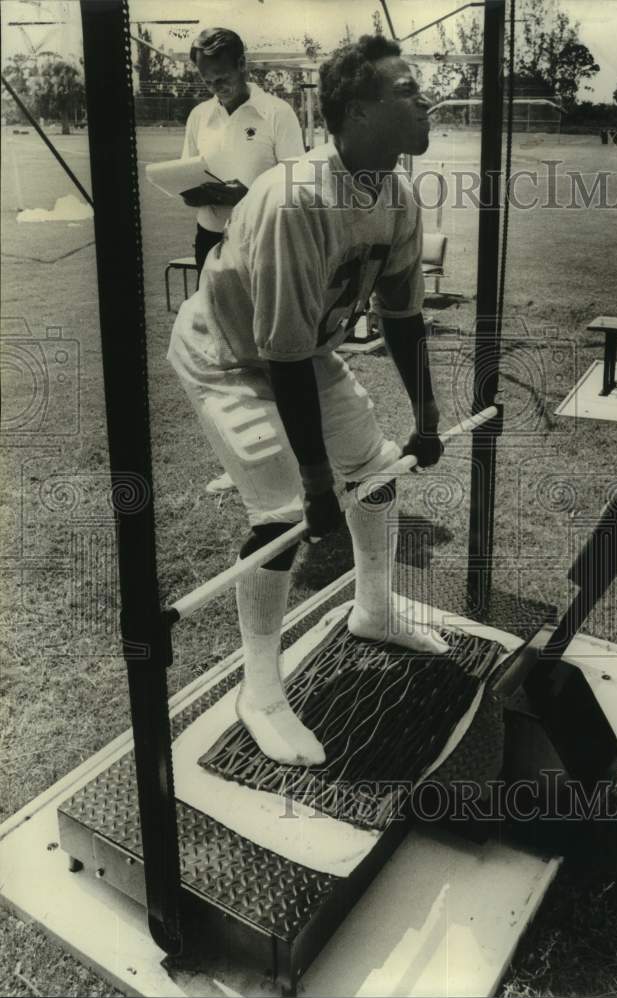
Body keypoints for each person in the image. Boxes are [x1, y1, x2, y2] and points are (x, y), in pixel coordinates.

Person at [168, 34, 448, 767]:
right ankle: (259, 692)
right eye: (405, 91)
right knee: (285, 516)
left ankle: (374, 609)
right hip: (226, 357)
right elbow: (281, 355)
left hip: (299, 352)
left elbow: (402, 316)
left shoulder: (396, 194)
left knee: (380, 473)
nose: (424, 100)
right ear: (356, 113)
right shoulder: (297, 200)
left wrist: (427, 416)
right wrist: (320, 482)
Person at [181, 27, 305, 278]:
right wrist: (190, 194)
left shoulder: (278, 113)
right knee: (209, 316)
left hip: (262, 240)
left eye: (222, 78)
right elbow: (186, 175)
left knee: (260, 317)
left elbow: (297, 188)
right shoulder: (198, 116)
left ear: (241, 64)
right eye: (208, 81)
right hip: (209, 239)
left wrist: (248, 198)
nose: (216, 87)